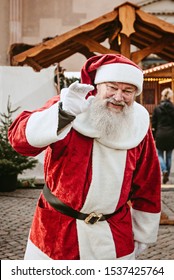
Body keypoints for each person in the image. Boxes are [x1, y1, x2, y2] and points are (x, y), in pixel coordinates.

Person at [8, 54, 161, 260]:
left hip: (114, 233)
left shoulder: (139, 123)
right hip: (58, 231)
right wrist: (62, 112)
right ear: (98, 86)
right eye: (112, 87)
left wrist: (143, 233)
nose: (118, 97)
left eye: (127, 91)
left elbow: (148, 181)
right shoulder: (71, 106)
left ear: (135, 94)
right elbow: (19, 141)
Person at [152, 87, 174, 184]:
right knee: (169, 156)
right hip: (171, 134)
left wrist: (154, 135)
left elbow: (154, 123)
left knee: (159, 154)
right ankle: (167, 174)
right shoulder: (173, 108)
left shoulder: (157, 108)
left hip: (160, 133)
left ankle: (164, 170)